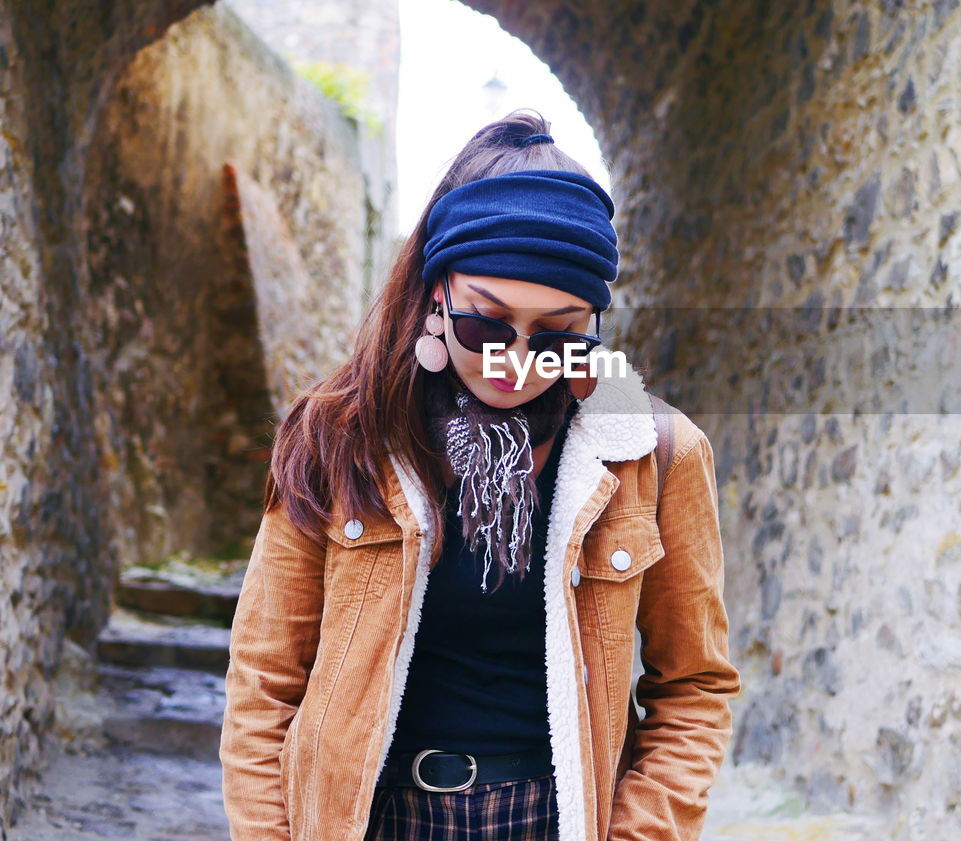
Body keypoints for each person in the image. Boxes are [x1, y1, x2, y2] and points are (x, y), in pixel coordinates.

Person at [219, 109, 741, 841]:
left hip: (550, 819)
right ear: (437, 295)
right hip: (362, 819)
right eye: (485, 324)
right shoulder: (339, 436)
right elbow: (264, 683)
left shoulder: (654, 450)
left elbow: (694, 687)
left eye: (558, 333)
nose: (515, 361)